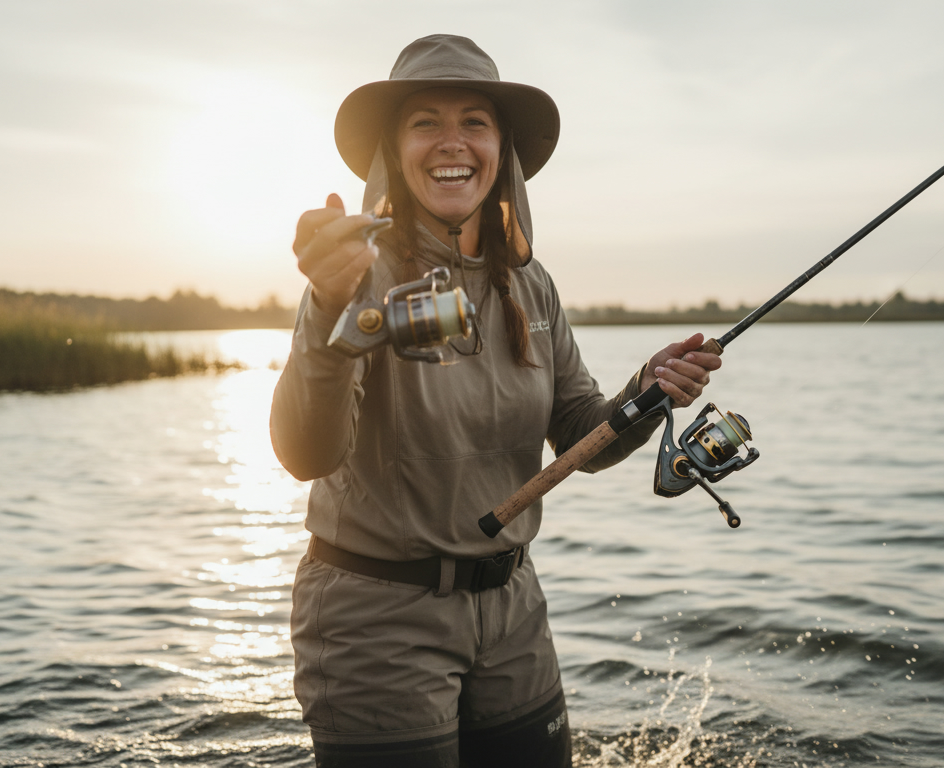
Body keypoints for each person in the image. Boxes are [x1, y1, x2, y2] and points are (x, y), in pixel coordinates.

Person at [271, 34, 721, 768]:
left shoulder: (531, 283)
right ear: (394, 148)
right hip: (376, 617)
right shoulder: (352, 275)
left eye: (474, 121)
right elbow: (306, 455)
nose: (453, 143)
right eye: (426, 122)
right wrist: (328, 308)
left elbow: (580, 429)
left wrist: (646, 392)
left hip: (512, 609)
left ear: (501, 147)